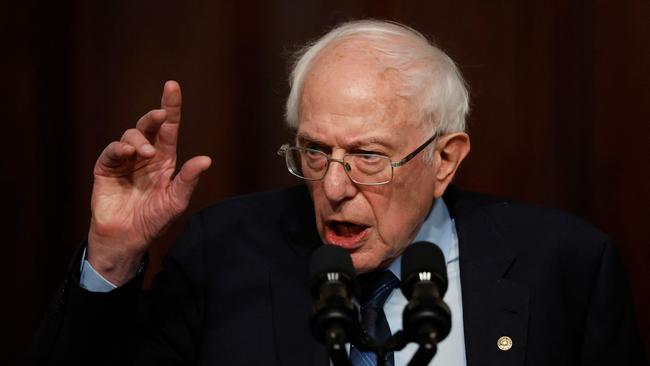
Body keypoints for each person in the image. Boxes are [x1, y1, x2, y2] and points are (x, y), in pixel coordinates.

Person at [30, 20, 646, 366]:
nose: (332, 187)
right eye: (315, 150)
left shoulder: (565, 265)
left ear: (444, 160)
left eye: (368, 157)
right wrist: (110, 256)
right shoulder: (224, 251)